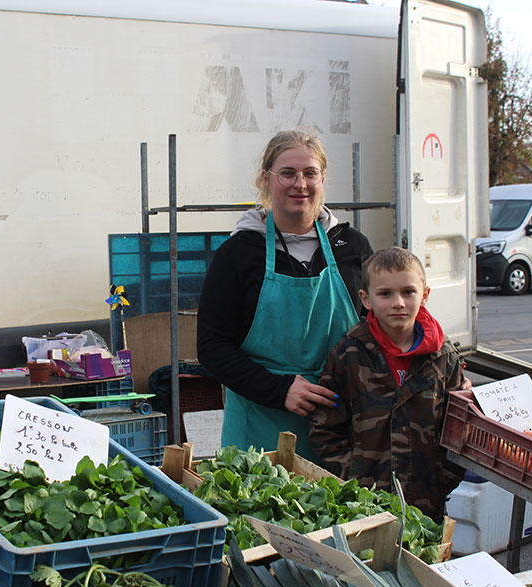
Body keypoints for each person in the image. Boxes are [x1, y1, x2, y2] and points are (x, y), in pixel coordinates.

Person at [196, 129, 373, 460]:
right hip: (257, 430)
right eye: (287, 173)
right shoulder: (237, 254)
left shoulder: (352, 248)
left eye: (310, 173)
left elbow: (380, 328)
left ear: (323, 178)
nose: (300, 184)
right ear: (266, 178)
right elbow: (211, 347)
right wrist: (280, 390)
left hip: (338, 430)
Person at [309, 247, 466, 520]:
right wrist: (352, 481)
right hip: (363, 506)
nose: (398, 303)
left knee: (424, 560)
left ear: (425, 295)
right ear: (366, 299)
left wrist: (443, 478)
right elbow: (325, 428)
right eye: (385, 294)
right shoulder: (348, 355)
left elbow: (459, 429)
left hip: (426, 505)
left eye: (408, 292)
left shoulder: (444, 358)